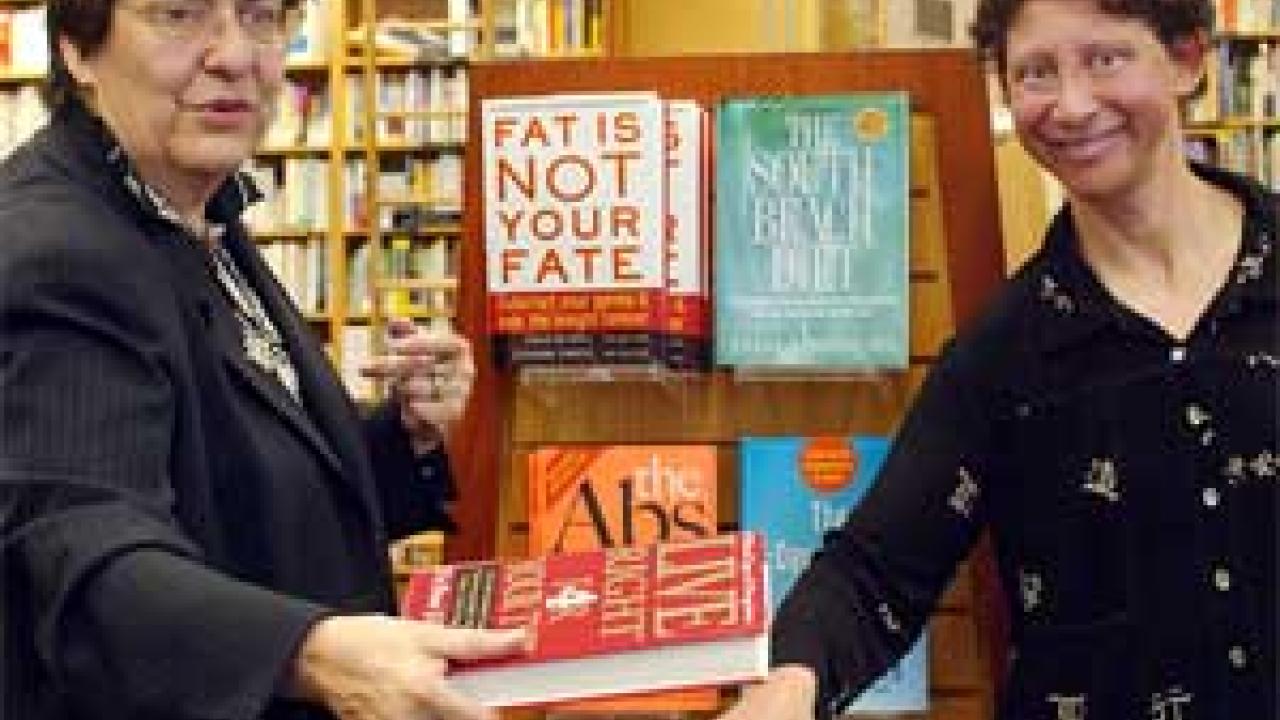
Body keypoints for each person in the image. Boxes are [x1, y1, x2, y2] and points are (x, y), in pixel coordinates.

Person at [718, 0, 1277, 718]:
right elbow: (875, 571)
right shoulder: (1005, 355)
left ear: (1187, 58)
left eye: (1106, 59)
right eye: (1036, 73)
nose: (1072, 106)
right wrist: (788, 688)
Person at [0, 1, 527, 719]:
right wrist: (309, 655)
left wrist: (404, 435)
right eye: (179, 15)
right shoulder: (59, 254)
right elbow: (82, 561)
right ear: (78, 50)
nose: (234, 56)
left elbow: (236, 491)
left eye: (261, 17)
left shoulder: (195, 213)